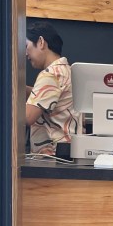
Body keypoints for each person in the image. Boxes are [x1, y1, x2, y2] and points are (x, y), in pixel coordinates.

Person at [25, 20, 81, 156]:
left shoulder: (50, 75)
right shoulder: (67, 71)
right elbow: (48, 97)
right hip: (68, 152)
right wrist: (20, 88)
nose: (25, 53)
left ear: (41, 42)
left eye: (26, 46)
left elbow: (27, 117)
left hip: (52, 156)